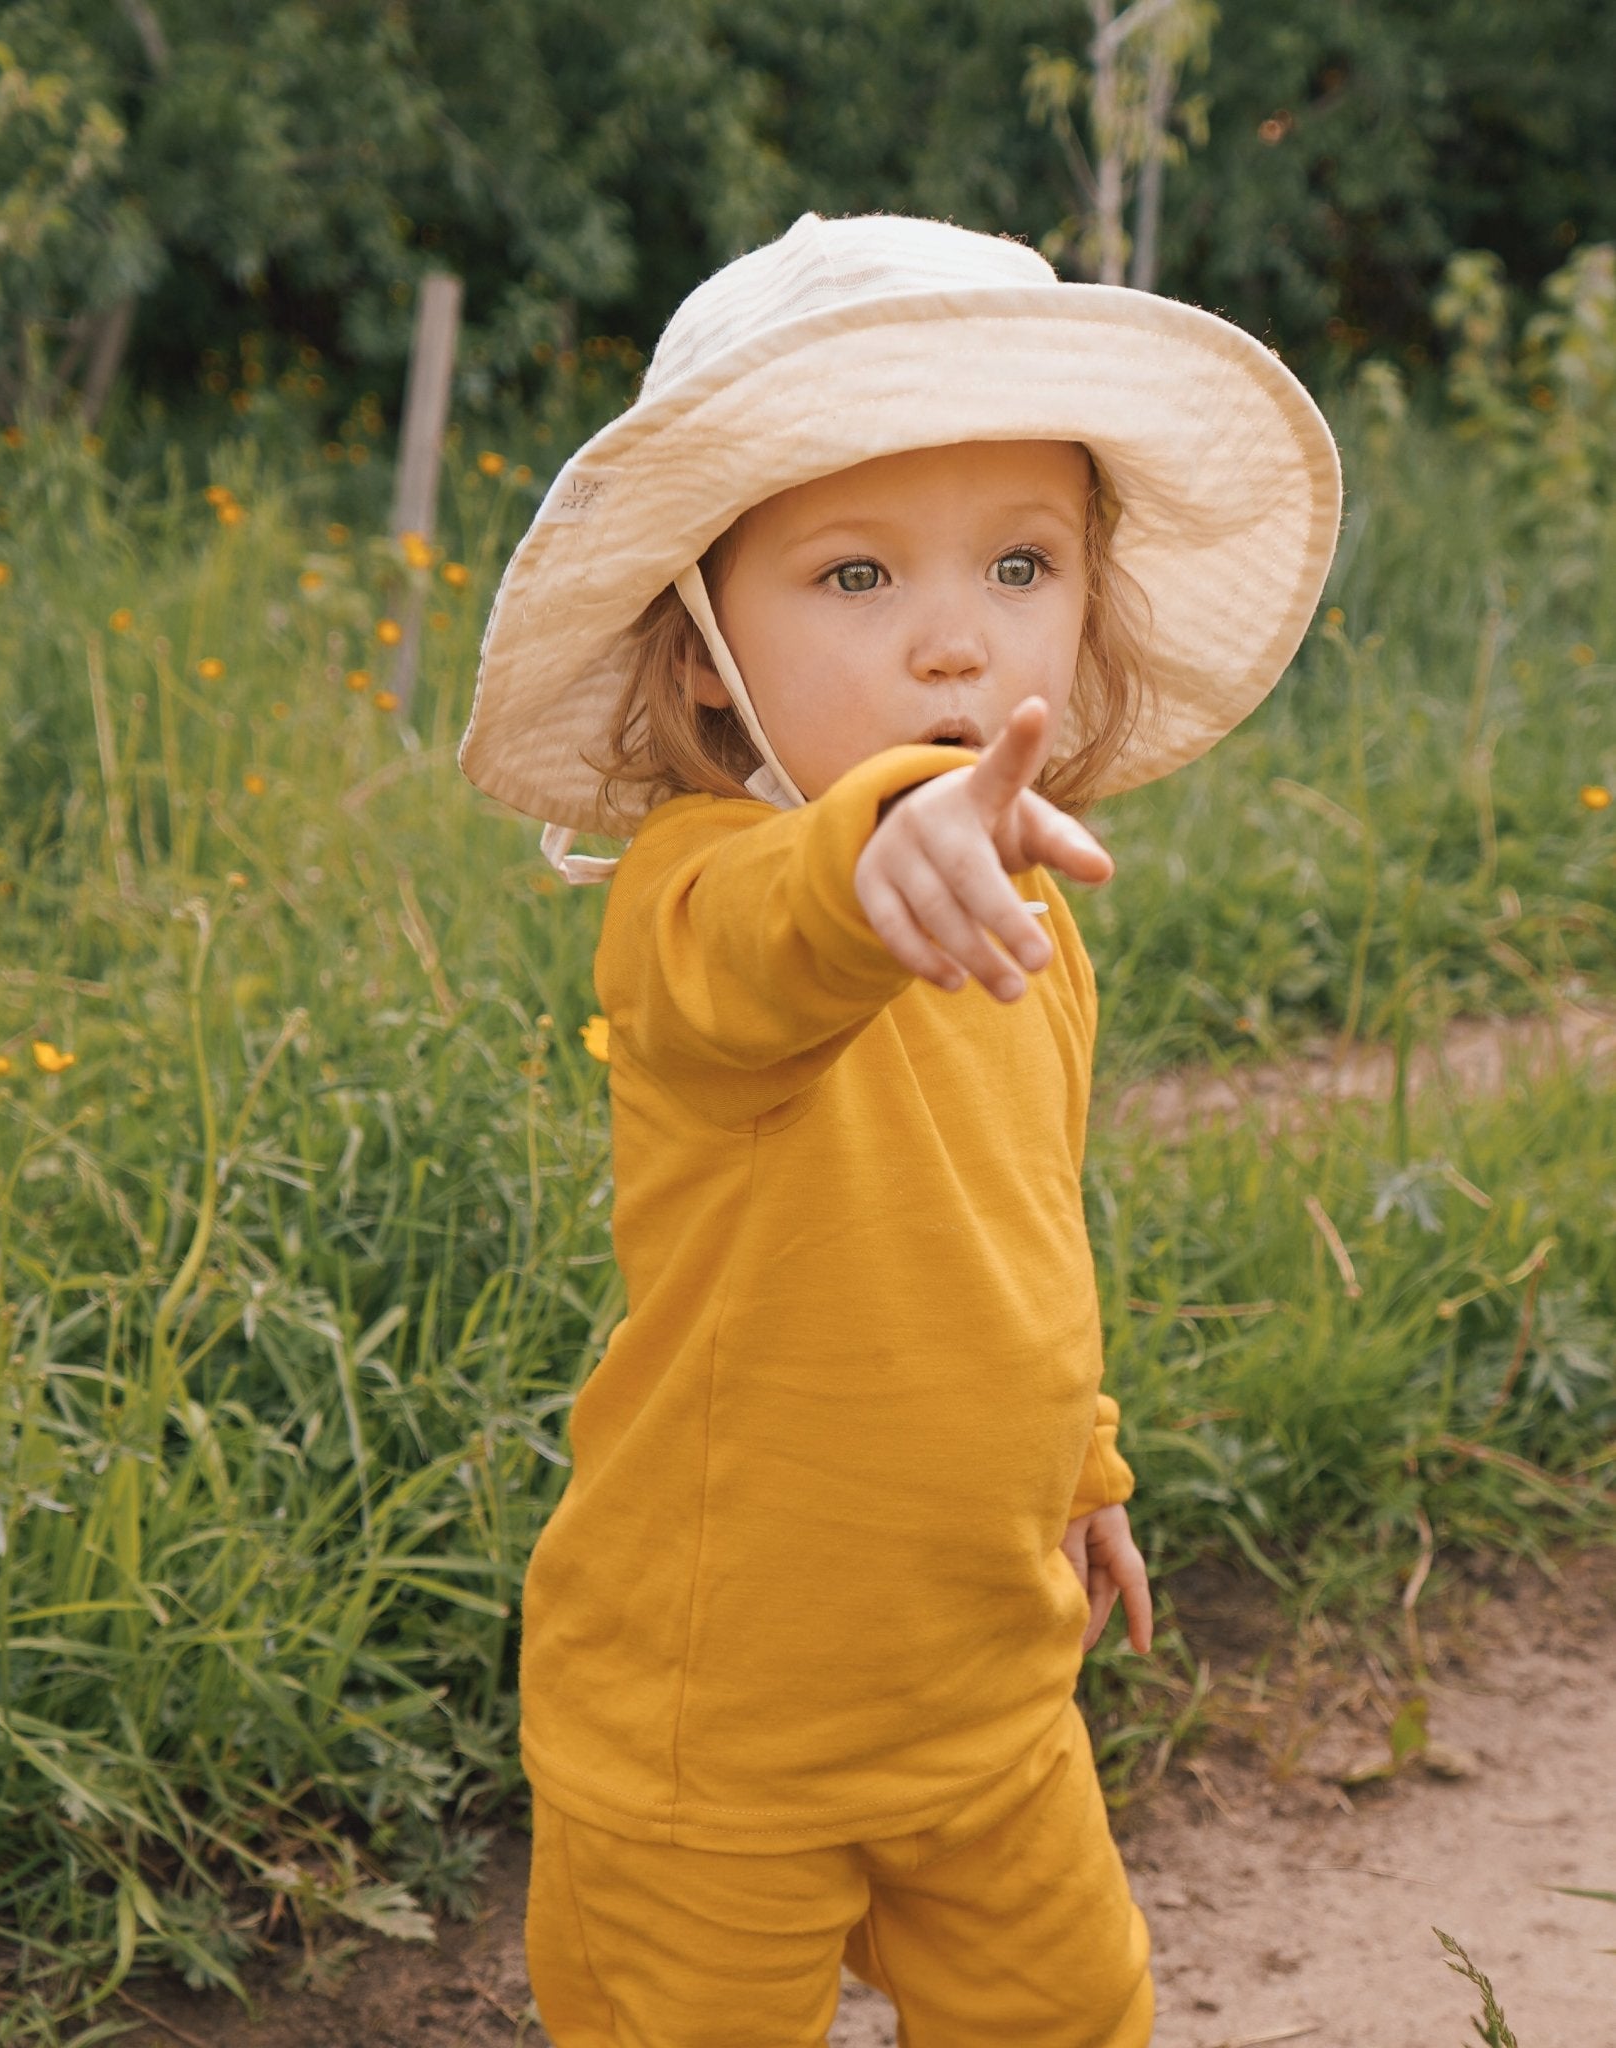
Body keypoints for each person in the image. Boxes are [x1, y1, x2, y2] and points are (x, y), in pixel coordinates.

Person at [459, 211, 1342, 2047]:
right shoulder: (698, 901)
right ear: (704, 655)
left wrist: (1084, 1469)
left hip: (984, 1694)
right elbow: (790, 933)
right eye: (856, 580)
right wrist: (876, 854)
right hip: (713, 1734)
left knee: (1078, 2013)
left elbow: (1020, 1226)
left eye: (1020, 562)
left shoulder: (1035, 923)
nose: (955, 643)